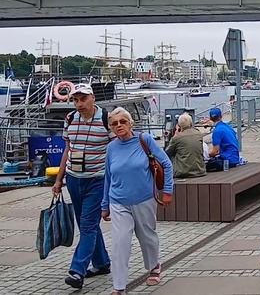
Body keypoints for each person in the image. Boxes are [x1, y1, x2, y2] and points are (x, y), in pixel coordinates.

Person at [101, 108, 173, 295]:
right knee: (120, 242)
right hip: (118, 201)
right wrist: (105, 205)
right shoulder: (111, 148)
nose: (119, 126)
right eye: (114, 124)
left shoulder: (144, 140)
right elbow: (108, 176)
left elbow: (166, 163)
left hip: (144, 199)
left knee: (147, 236)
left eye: (123, 122)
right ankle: (119, 287)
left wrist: (167, 190)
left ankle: (154, 266)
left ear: (130, 123)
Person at [52, 83, 113, 289]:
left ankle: (77, 270)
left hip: (97, 179)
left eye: (83, 99)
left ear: (93, 98)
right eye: (75, 100)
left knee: (87, 225)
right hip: (74, 179)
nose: (79, 104)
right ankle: (102, 263)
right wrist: (59, 179)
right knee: (87, 225)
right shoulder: (70, 119)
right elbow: (67, 150)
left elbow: (116, 150)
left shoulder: (106, 119)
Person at [165, 113, 206, 178]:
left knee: (171, 154)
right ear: (191, 123)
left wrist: (175, 136)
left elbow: (167, 153)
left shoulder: (177, 137)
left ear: (178, 125)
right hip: (200, 171)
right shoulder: (199, 134)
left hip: (182, 172)